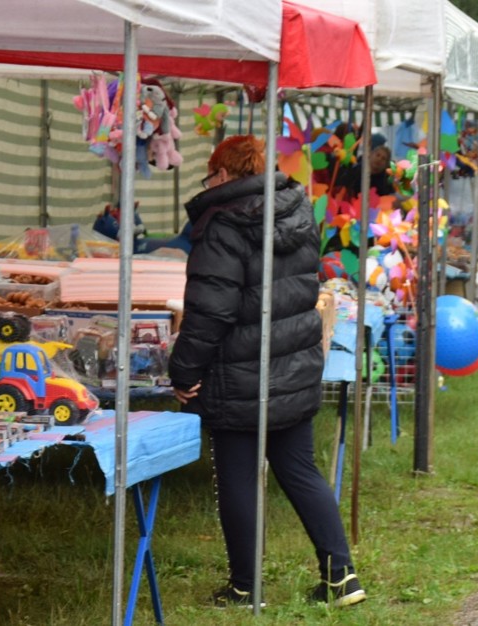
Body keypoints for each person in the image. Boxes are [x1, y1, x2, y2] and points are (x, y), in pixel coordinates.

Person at [168, 135, 366, 608]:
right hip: (293, 362)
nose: (208, 182)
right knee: (299, 469)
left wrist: (183, 370)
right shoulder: (298, 210)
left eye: (210, 174)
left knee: (237, 473)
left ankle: (245, 586)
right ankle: (342, 577)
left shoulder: (222, 224)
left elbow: (210, 310)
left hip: (239, 370)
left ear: (224, 175)